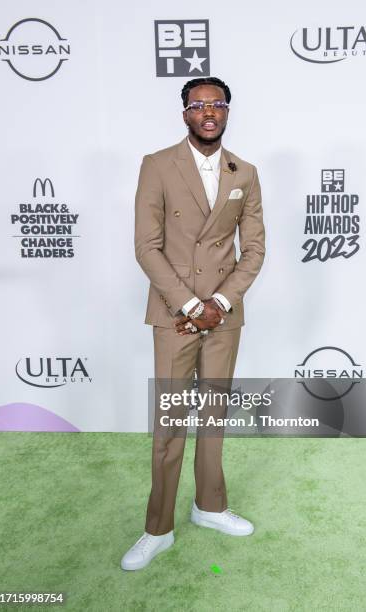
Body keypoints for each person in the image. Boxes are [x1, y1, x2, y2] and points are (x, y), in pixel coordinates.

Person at [121, 77, 265, 570]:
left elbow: (256, 249)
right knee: (170, 425)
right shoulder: (157, 166)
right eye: (198, 105)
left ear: (227, 112)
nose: (209, 112)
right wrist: (189, 305)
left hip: (223, 315)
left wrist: (220, 302)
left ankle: (211, 506)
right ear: (184, 113)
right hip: (174, 315)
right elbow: (147, 247)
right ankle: (157, 529)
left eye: (217, 104)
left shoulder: (243, 171)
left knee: (213, 419)